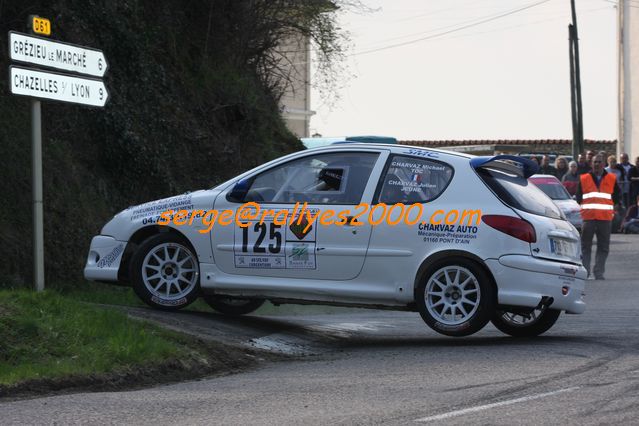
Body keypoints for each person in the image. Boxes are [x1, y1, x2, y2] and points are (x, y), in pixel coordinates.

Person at [576, 154, 622, 280]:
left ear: (603, 164)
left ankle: (599, 272)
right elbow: (578, 197)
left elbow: (617, 196)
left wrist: (614, 208)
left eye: (599, 162)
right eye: (595, 162)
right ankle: (585, 272)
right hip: (588, 218)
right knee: (586, 247)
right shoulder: (584, 178)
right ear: (591, 164)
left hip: (605, 219)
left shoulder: (612, 178)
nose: (597, 164)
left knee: (603, 247)